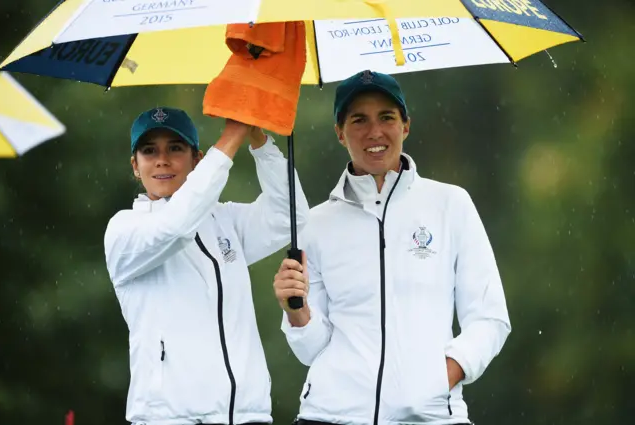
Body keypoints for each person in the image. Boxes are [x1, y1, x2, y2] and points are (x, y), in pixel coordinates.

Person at [273, 70, 511, 425]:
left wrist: (441, 377)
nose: (374, 132)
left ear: (406, 126)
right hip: (329, 415)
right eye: (359, 120)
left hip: (430, 416)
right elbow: (312, 349)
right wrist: (296, 311)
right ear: (340, 133)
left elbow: (490, 318)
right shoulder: (315, 224)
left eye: (387, 117)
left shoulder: (450, 204)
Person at [104, 107, 309, 425]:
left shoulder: (224, 220)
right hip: (169, 418)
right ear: (135, 165)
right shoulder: (124, 229)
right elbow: (177, 226)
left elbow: (289, 215)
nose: (162, 160)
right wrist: (231, 137)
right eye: (149, 151)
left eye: (175, 148)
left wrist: (259, 141)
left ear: (196, 160)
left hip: (247, 414)